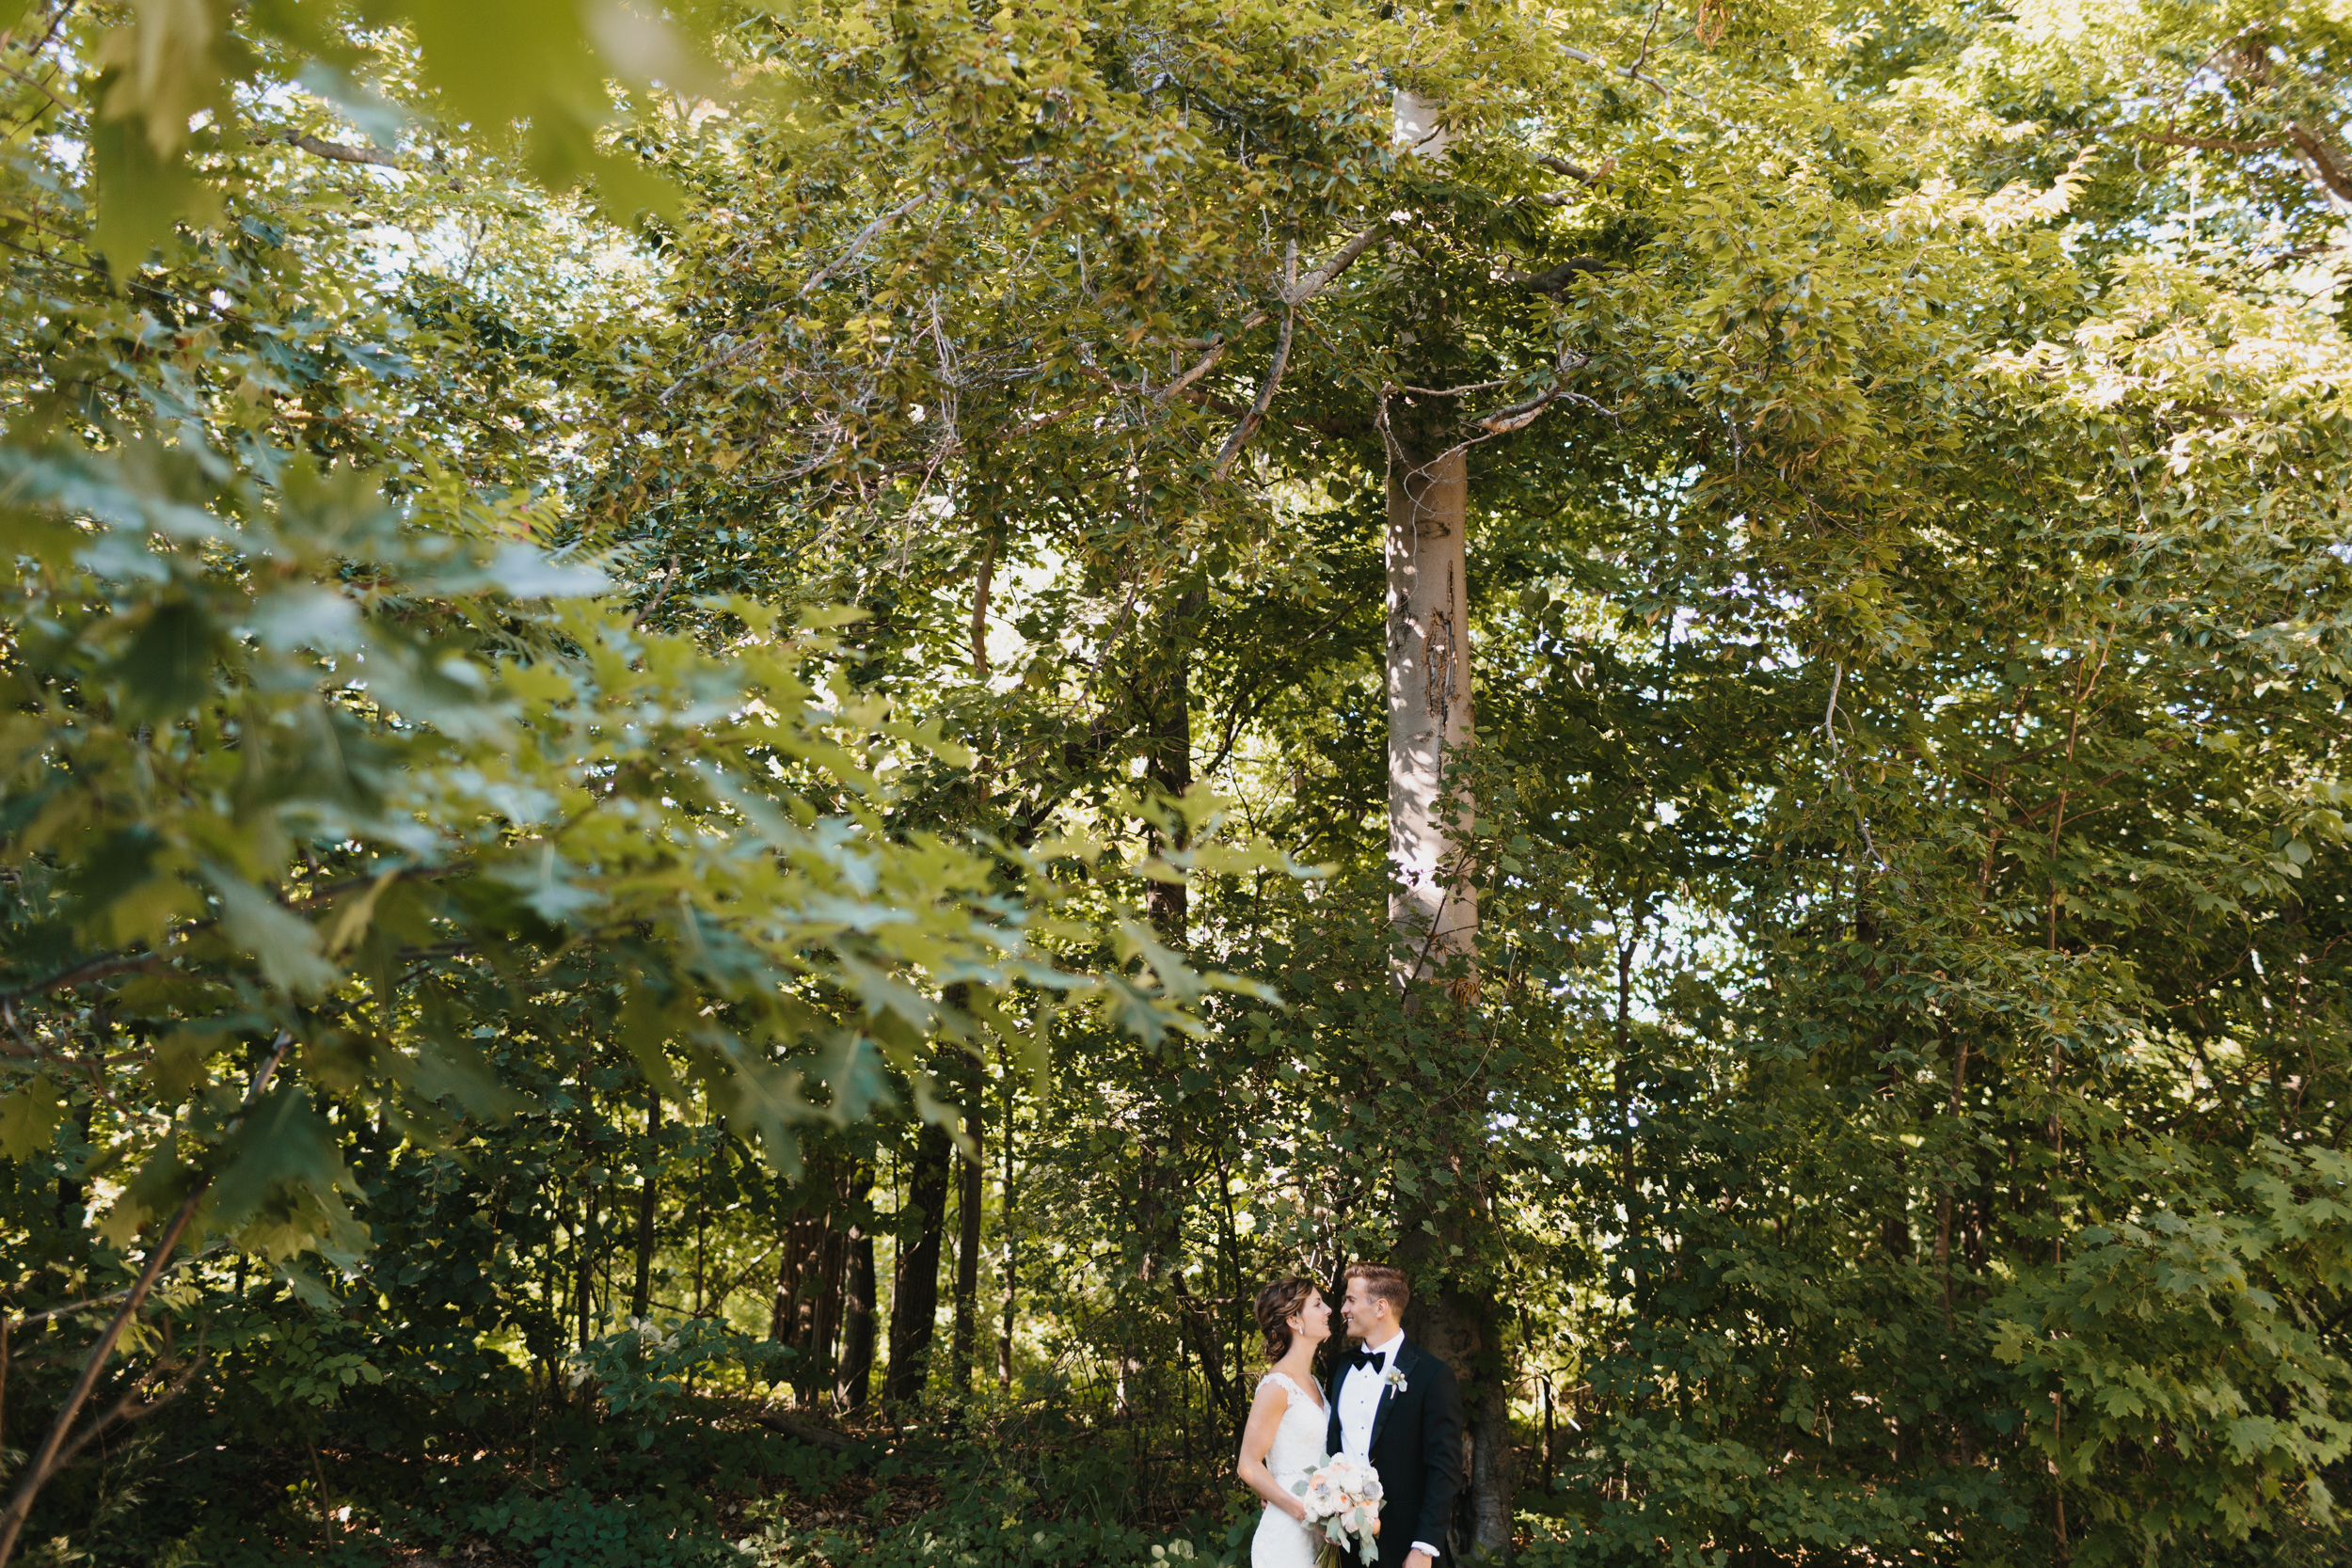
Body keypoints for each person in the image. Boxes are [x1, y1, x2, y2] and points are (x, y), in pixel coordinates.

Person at [1325, 1263, 1464, 1568]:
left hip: (1406, 1545)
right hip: (1343, 1544)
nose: (1343, 1309)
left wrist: (1425, 1546)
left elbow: (1446, 1469)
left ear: (1380, 1307)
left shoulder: (1433, 1375)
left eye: (1351, 1300)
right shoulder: (1338, 1368)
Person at [1236, 1275, 1333, 1568]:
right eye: (1318, 1304)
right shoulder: (1277, 1385)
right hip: (1288, 1535)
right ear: (1294, 1319)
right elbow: (1248, 1465)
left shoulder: (1314, 1382)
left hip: (1318, 1531)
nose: (1328, 1309)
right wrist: (1300, 1511)